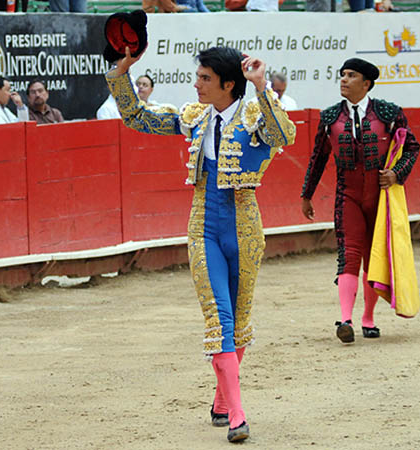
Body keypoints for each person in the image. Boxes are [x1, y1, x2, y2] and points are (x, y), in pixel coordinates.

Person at [106, 46, 295, 443]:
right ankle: (238, 413)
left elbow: (283, 135)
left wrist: (261, 85)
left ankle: (222, 400)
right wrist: (121, 74)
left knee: (239, 320)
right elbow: (138, 116)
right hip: (203, 225)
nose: (196, 84)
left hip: (244, 228)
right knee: (219, 319)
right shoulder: (194, 117)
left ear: (229, 84)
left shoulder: (257, 115)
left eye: (205, 78)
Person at [300, 57, 420, 344]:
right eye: (342, 74)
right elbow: (318, 159)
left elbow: (412, 147)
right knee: (349, 254)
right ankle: (346, 319)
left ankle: (367, 317)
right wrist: (307, 194)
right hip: (348, 195)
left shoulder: (389, 114)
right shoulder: (329, 117)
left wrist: (396, 173)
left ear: (366, 83)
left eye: (351, 75)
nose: (344, 79)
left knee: (373, 256)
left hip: (381, 196)